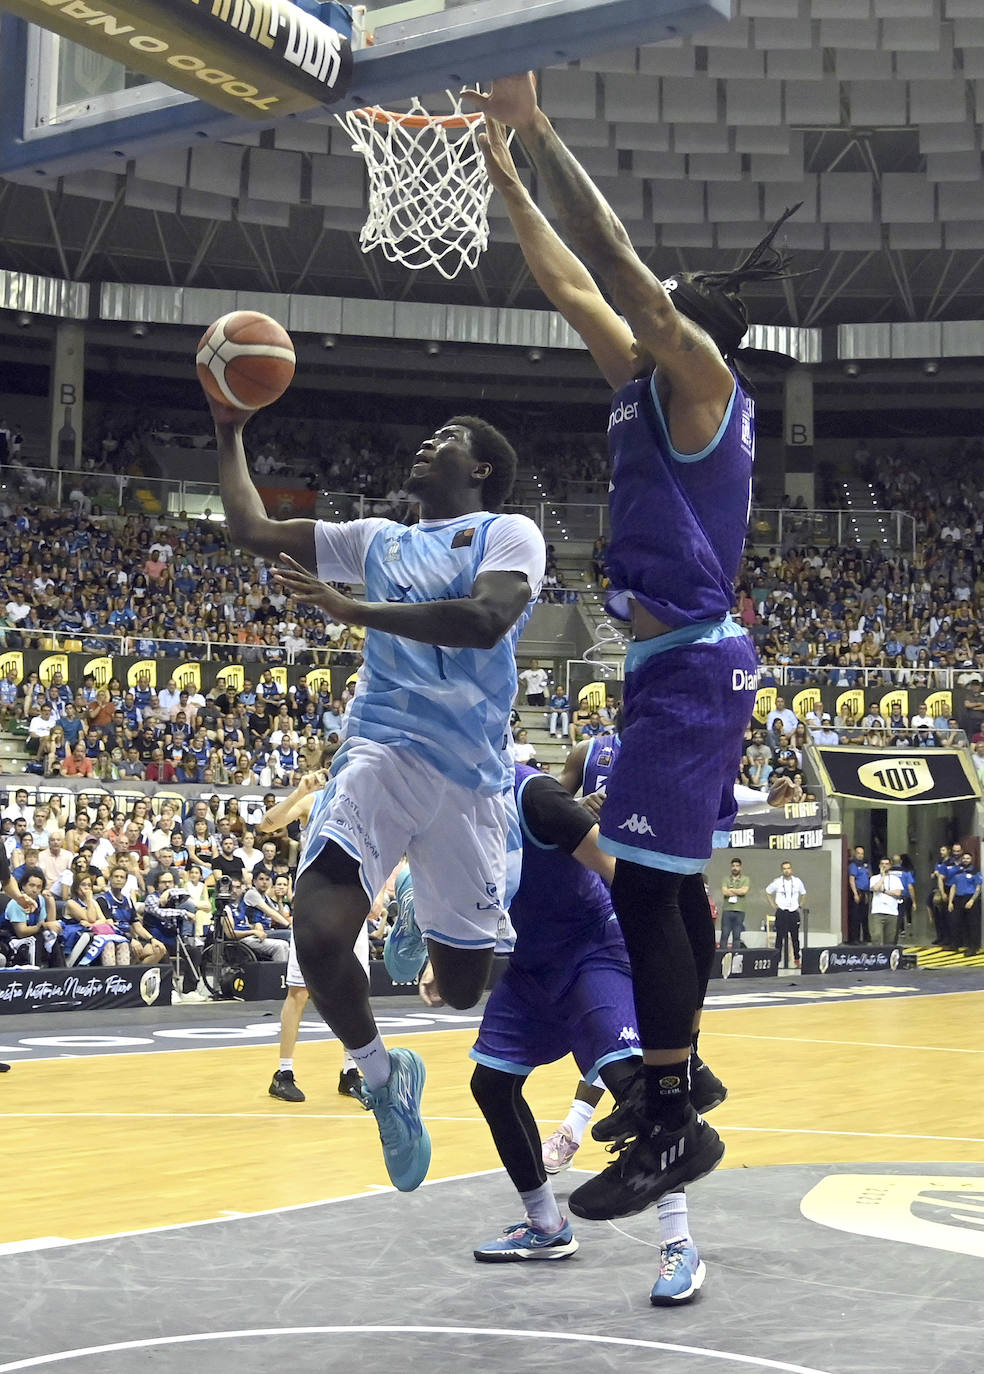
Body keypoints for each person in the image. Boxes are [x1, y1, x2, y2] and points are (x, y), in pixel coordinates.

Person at [467, 74, 793, 1216]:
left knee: (648, 894)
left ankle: (666, 1123)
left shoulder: (702, 380)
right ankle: (683, 1064)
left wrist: (541, 130)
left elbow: (617, 268)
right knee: (669, 885)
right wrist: (508, 179)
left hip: (699, 656)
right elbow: (569, 283)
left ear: (693, 324)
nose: (663, 296)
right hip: (676, 661)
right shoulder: (645, 384)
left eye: (675, 297)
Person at [210, 386, 544, 1195]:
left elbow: (484, 620)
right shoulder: (374, 539)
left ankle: (419, 926)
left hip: (469, 778)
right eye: (429, 432)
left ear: (482, 468)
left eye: (449, 437)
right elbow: (252, 528)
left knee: (460, 993)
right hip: (383, 749)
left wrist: (353, 608)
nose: (429, 442)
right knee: (318, 934)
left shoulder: (507, 534)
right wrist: (227, 430)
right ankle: (383, 1077)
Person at [412, 763, 709, 1301]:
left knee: (634, 1086)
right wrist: (446, 955)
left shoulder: (537, 797)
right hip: (531, 965)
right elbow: (480, 894)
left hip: (592, 947)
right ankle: (546, 1226)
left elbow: (624, 877)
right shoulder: (447, 809)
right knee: (491, 1084)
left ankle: (679, 1241)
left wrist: (660, 972)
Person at [765, 861, 806, 968]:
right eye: (784, 868)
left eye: (788, 868)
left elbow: (804, 894)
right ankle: (776, 961)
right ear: (782, 870)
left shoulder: (797, 881)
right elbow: (768, 892)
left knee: (795, 938)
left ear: (791, 869)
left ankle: (797, 960)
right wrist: (774, 905)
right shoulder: (778, 882)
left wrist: (800, 905)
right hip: (782, 912)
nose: (786, 870)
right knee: (779, 938)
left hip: (793, 912)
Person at [947, 851, 982, 955]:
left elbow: (978, 887)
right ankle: (955, 945)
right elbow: (953, 886)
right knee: (955, 922)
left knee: (972, 924)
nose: (965, 860)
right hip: (958, 898)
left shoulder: (975, 871)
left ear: (971, 860)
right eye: (964, 858)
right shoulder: (958, 872)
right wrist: (950, 902)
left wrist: (972, 900)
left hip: (970, 898)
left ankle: (973, 947)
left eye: (968, 858)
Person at [719, 858, 749, 951]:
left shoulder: (745, 879)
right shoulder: (725, 879)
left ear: (740, 867)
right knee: (724, 934)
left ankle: (735, 956)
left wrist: (731, 890)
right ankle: (723, 956)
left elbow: (744, 891)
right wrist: (737, 891)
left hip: (740, 910)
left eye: (737, 866)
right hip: (727, 910)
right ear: (731, 867)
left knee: (737, 936)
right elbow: (724, 892)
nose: (735, 868)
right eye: (733, 866)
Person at [847, 844, 871, 944]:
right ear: (855, 854)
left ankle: (866, 937)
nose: (860, 855)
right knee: (855, 916)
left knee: (864, 916)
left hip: (866, 893)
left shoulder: (866, 865)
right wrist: (855, 893)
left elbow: (870, 877)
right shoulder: (853, 865)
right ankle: (855, 938)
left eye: (862, 854)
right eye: (858, 853)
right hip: (858, 892)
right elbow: (852, 879)